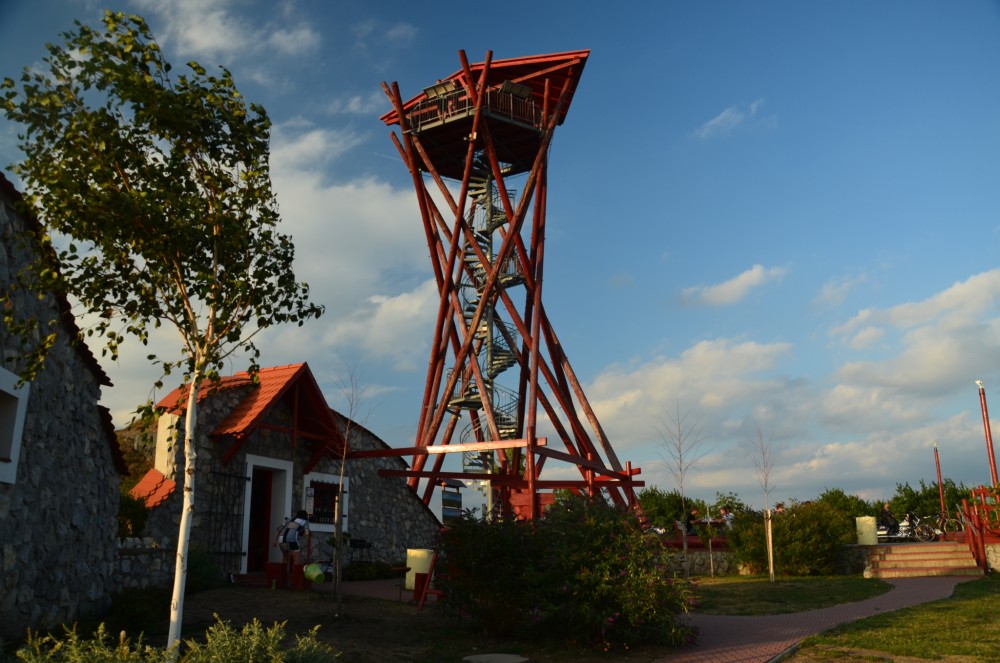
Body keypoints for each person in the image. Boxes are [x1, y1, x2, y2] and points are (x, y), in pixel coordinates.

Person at [274, 509, 311, 575]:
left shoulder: (289, 520)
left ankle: (283, 578)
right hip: (292, 540)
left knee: (285, 559)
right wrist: (309, 545)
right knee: (297, 560)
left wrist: (274, 540)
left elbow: (278, 529)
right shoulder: (304, 521)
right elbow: (307, 533)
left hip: (281, 540)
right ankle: (295, 580)